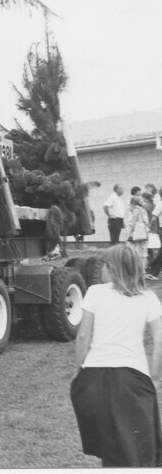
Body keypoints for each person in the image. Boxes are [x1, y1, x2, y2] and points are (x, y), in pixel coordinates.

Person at [71, 244, 162, 467]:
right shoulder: (148, 298)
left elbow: (83, 337)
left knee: (110, 449)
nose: (101, 271)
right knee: (136, 450)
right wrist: (155, 376)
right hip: (132, 380)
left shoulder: (95, 292)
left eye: (104, 266)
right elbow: (160, 339)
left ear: (113, 268)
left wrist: (77, 373)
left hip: (94, 379)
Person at [128, 196, 151, 272]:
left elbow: (134, 223)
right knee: (143, 250)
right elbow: (147, 222)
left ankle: (136, 269)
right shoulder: (143, 210)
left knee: (136, 250)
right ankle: (143, 269)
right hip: (144, 233)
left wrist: (130, 233)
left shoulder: (136, 210)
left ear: (133, 203)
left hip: (137, 233)